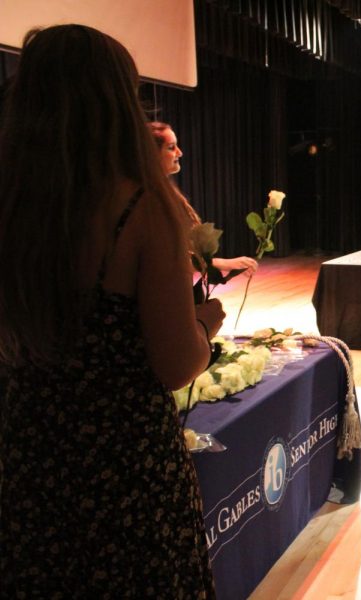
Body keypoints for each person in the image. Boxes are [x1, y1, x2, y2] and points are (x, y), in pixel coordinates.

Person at [0, 25, 223, 596]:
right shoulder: (142, 207)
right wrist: (205, 324)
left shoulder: (12, 204)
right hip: (124, 467)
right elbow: (177, 365)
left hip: (27, 455)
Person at [148, 121, 258, 277]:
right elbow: (165, 258)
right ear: (152, 154)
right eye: (171, 147)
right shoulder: (150, 199)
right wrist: (222, 263)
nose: (180, 153)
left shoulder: (164, 192)